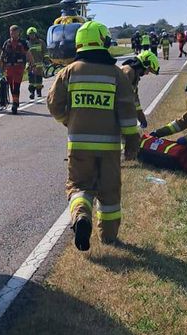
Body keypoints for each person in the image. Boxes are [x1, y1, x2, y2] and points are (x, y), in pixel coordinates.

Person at [47, 21, 139, 251]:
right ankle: (108, 238)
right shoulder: (117, 74)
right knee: (109, 193)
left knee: (79, 187)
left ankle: (81, 217)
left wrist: (69, 121)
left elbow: (54, 104)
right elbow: (127, 111)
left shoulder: (68, 72)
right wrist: (131, 142)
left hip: (79, 146)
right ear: (102, 42)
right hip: (109, 148)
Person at [119, 50, 160, 127]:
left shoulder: (134, 75)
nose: (147, 73)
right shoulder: (128, 72)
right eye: (149, 70)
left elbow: (135, 102)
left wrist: (142, 119)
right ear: (144, 65)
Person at [0, 25, 34, 114]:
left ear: (18, 33)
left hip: (19, 67)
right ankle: (15, 101)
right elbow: (2, 55)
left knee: (16, 85)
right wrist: (0, 67)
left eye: (14, 32)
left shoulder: (23, 43)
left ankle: (15, 103)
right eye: (11, 32)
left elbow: (28, 53)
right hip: (8, 67)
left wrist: (32, 63)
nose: (13, 33)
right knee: (11, 85)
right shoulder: (6, 43)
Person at [26, 26, 46, 98]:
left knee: (39, 79)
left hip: (39, 64)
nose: (32, 35)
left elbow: (45, 52)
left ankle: (38, 92)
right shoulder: (27, 43)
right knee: (31, 80)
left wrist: (46, 60)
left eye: (33, 34)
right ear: (28, 35)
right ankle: (32, 93)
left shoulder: (41, 42)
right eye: (30, 34)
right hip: (30, 65)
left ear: (36, 34)